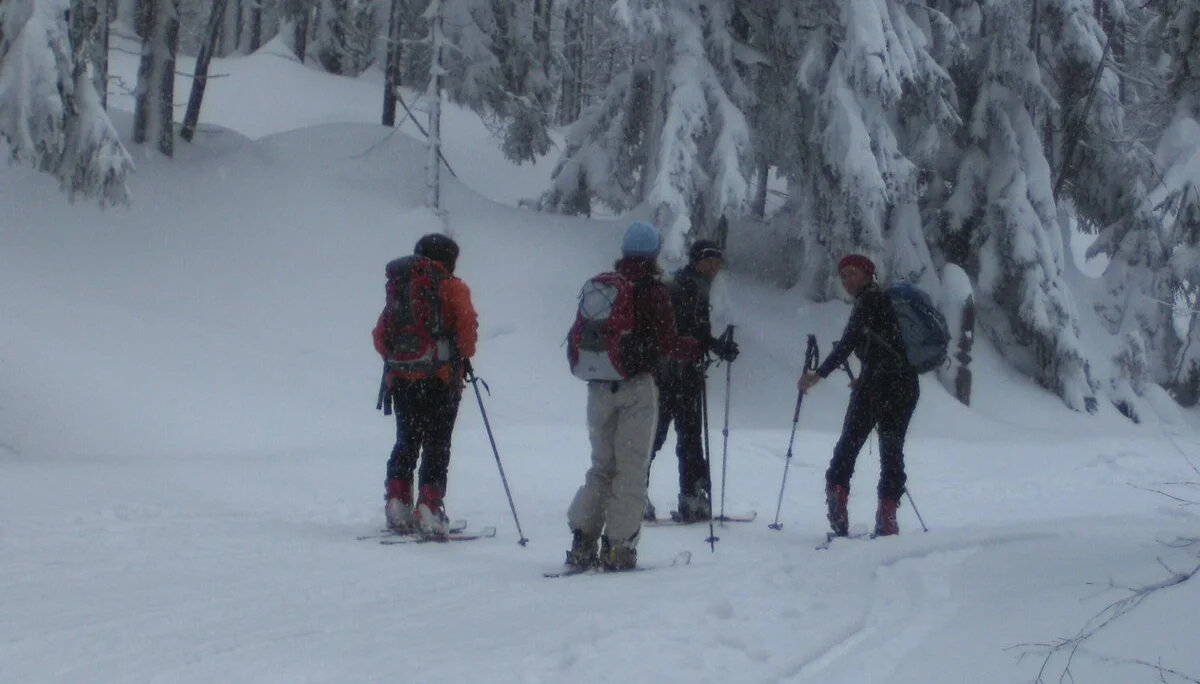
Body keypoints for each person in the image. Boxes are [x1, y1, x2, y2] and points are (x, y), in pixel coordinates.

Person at [565, 222, 701, 570]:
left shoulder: (606, 288)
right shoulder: (654, 292)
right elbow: (667, 343)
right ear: (654, 253)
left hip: (598, 385)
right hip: (636, 387)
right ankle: (619, 546)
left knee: (602, 466)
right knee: (631, 468)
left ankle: (582, 540)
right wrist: (694, 347)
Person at [798, 254, 919, 537]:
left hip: (878, 385)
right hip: (904, 385)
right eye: (843, 276)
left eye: (851, 273)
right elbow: (889, 349)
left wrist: (818, 374)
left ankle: (838, 495)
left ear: (867, 274)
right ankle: (887, 515)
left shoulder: (869, 300)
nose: (846, 281)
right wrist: (867, 376)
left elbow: (848, 342)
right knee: (891, 450)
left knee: (849, 444)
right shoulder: (884, 302)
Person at [372, 233, 478, 535]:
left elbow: (380, 337)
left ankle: (398, 500)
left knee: (406, 440)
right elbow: (467, 334)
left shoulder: (401, 288)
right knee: (436, 443)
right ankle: (429, 507)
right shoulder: (452, 286)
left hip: (402, 379)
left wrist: (404, 360)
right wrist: (455, 353)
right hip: (441, 379)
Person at [646, 239, 739, 522]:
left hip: (677, 372)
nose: (715, 268)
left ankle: (642, 491)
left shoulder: (694, 284)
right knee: (674, 435)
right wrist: (712, 345)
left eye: (718, 263)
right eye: (711, 262)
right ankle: (691, 494)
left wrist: (714, 345)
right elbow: (687, 331)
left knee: (671, 435)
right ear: (698, 260)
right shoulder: (686, 286)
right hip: (674, 373)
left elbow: (696, 331)